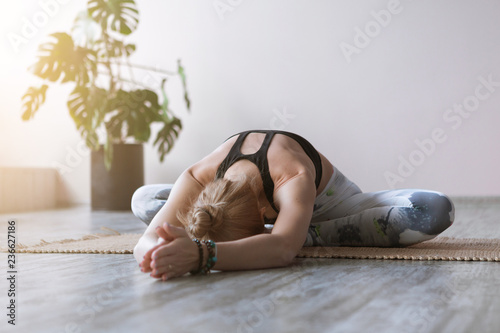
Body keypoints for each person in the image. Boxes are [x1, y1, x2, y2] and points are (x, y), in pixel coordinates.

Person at [133, 130, 455, 280]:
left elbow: (284, 250)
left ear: (263, 217)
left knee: (434, 210)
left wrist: (202, 255)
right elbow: (142, 243)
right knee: (144, 199)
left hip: (333, 207)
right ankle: (288, 231)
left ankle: (312, 234)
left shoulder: (291, 174)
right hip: (270, 217)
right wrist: (155, 253)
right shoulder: (199, 174)